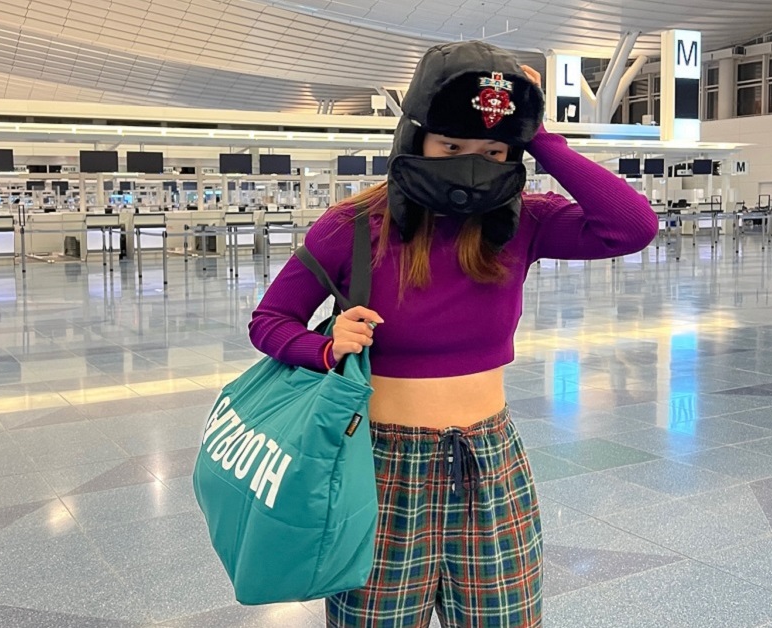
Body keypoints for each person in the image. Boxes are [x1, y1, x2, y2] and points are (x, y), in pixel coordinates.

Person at [248, 41, 657, 628]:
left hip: (491, 461)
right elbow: (269, 321)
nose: (472, 164)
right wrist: (326, 347)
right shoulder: (353, 227)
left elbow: (631, 226)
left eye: (493, 152)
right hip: (377, 466)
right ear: (416, 138)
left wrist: (538, 134)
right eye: (451, 146)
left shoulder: (523, 222)